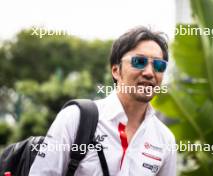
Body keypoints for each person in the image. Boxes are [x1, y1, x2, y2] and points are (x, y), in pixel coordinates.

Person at [29, 26, 177, 176]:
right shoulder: (76, 118)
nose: (149, 73)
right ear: (116, 71)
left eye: (159, 65)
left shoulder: (165, 139)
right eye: (139, 61)